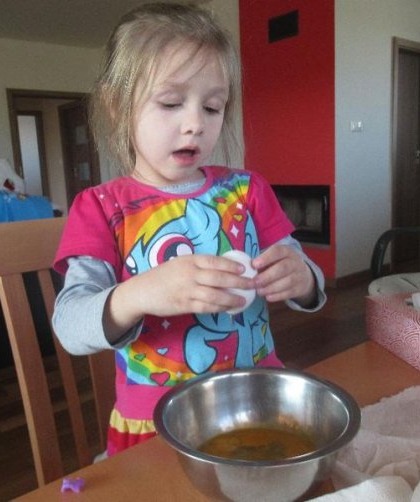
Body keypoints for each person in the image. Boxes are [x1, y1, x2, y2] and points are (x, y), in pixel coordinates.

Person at [52, 2, 326, 456]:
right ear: (118, 106)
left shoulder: (248, 191)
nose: (196, 123)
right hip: (158, 424)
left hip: (258, 400)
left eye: (212, 107)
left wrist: (304, 280)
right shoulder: (101, 208)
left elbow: (300, 266)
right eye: (171, 102)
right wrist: (140, 293)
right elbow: (69, 324)